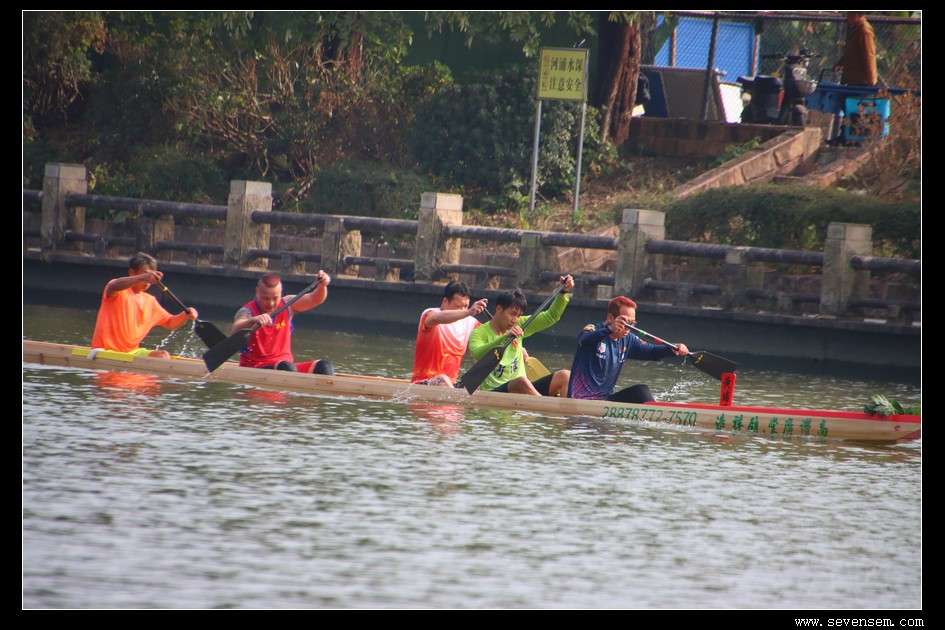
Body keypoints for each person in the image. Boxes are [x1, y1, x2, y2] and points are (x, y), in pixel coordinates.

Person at [568, 296, 689, 403]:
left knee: (641, 391)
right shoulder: (594, 329)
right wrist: (610, 329)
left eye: (632, 323)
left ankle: (657, 413)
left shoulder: (628, 339)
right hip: (580, 399)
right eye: (625, 322)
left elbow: (652, 351)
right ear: (610, 318)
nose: (628, 328)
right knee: (641, 391)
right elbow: (583, 340)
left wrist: (672, 348)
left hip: (604, 400)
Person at [467, 275, 574, 396]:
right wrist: (504, 337)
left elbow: (551, 316)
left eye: (519, 315)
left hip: (523, 387)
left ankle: (564, 407)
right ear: (498, 309)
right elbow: (478, 353)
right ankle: (545, 406)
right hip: (495, 391)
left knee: (566, 376)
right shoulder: (479, 333)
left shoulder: (521, 325)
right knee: (521, 382)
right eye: (512, 314)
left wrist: (563, 292)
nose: (515, 320)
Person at [91, 252, 198, 359]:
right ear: (132, 272)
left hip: (132, 352)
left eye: (150, 276)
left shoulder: (150, 301)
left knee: (163, 356)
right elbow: (113, 286)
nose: (148, 281)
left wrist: (185, 315)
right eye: (145, 274)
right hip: (105, 351)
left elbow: (170, 322)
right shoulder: (118, 291)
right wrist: (143, 277)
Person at [231, 270, 335, 374]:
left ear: (281, 292)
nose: (271, 303)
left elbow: (315, 299)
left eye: (275, 298)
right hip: (256, 367)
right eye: (266, 298)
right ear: (257, 292)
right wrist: (253, 320)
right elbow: (235, 329)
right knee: (287, 368)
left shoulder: (288, 305)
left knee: (325, 366)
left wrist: (322, 286)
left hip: (287, 366)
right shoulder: (247, 312)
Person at [411, 281, 489, 386]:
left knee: (476, 382)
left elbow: (491, 333)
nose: (463, 310)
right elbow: (435, 319)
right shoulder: (430, 313)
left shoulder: (471, 323)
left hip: (451, 385)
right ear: (445, 301)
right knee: (442, 379)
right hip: (423, 382)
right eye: (459, 306)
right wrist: (469, 312)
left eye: (466, 306)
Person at [833, 12, 877, 87]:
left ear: (855, 15)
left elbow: (869, 55)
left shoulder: (865, 31)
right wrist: (840, 63)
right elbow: (851, 51)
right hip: (852, 79)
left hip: (861, 82)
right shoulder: (856, 29)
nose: (847, 18)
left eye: (848, 15)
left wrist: (871, 80)